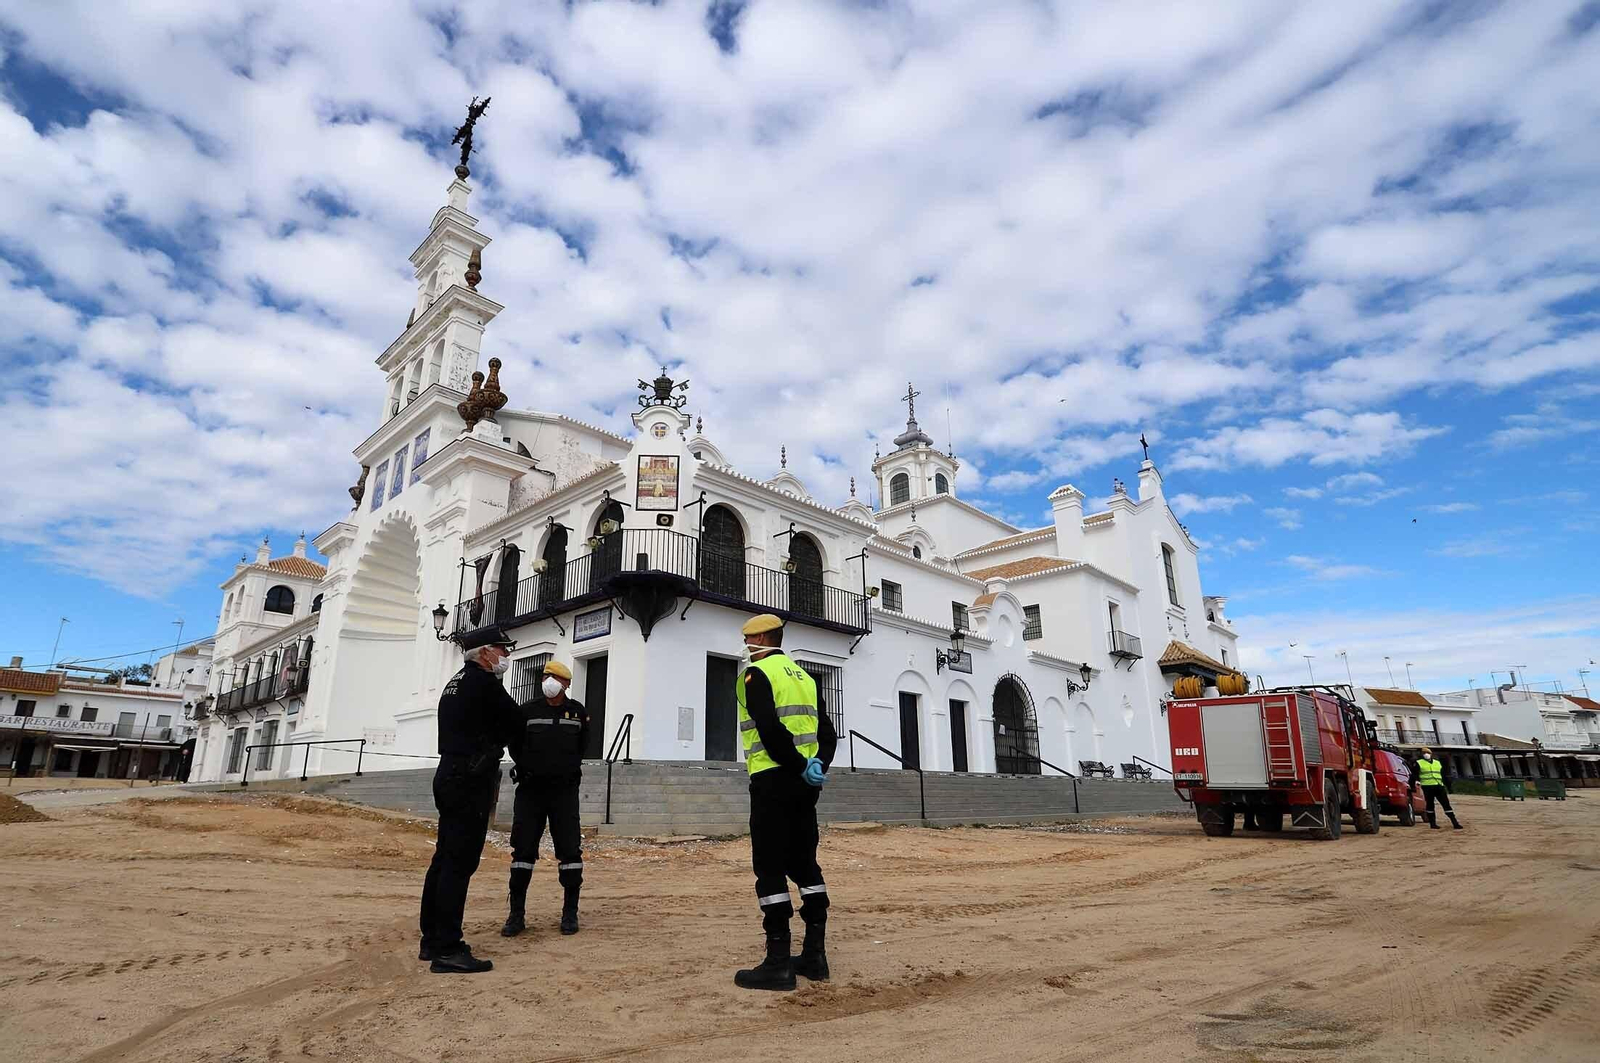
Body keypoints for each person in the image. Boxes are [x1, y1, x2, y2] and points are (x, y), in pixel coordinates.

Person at [732, 614, 838, 991]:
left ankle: (778, 962)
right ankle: (814, 955)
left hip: (772, 780)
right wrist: (815, 766)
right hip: (806, 787)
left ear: (761, 637)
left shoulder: (755, 674)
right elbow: (828, 732)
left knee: (770, 867)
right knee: (806, 864)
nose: (746, 646)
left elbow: (769, 728)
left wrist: (795, 765)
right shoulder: (805, 677)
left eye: (748, 639)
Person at [419, 628, 521, 973]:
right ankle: (448, 947)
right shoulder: (483, 682)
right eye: (502, 650)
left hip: (449, 772)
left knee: (444, 859)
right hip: (469, 777)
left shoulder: (457, 681)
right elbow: (515, 721)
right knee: (459, 864)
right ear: (485, 653)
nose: (506, 656)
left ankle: (431, 939)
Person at [502, 659, 589, 938]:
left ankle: (569, 913)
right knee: (523, 852)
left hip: (564, 793)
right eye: (545, 676)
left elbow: (582, 746)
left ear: (566, 684)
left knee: (570, 852)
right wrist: (529, 767)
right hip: (531, 792)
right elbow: (514, 744)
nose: (548, 681)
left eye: (554, 677)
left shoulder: (576, 713)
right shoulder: (527, 711)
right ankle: (516, 915)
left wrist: (565, 769)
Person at [1415, 747, 1462, 830]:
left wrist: (1449, 787)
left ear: (1431, 754)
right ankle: (1433, 824)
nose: (1426, 754)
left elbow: (1443, 776)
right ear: (1421, 755)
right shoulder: (1419, 763)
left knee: (1446, 805)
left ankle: (1455, 823)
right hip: (1427, 787)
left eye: (1427, 752)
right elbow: (1414, 775)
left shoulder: (1437, 763)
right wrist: (1414, 785)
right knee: (1430, 806)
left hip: (1439, 786)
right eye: (1424, 753)